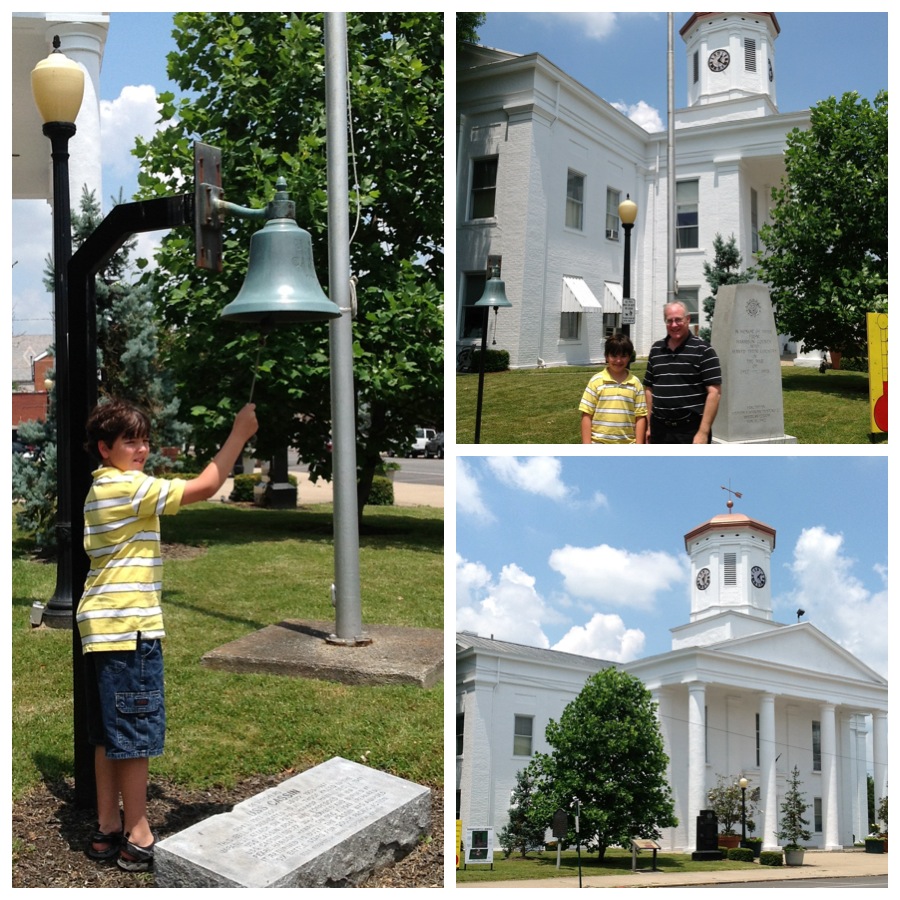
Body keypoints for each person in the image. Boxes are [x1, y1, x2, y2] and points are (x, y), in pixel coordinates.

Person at [78, 398, 258, 871]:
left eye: (143, 440)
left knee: (107, 735)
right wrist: (239, 433)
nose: (140, 449)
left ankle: (106, 828)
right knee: (134, 733)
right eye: (128, 441)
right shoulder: (128, 488)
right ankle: (137, 834)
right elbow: (206, 485)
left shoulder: (101, 487)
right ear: (104, 448)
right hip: (130, 626)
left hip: (101, 627)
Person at [643, 301, 722, 444]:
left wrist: (703, 432)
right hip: (659, 430)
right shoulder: (656, 350)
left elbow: (715, 393)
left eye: (678, 319)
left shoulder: (704, 350)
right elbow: (649, 389)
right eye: (669, 321)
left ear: (688, 319)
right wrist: (649, 426)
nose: (674, 325)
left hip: (690, 431)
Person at [579, 333, 647, 444]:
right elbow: (586, 415)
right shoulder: (596, 381)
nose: (618, 361)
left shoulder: (635, 383)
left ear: (629, 357)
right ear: (606, 356)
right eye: (614, 356)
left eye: (623, 356)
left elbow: (640, 417)